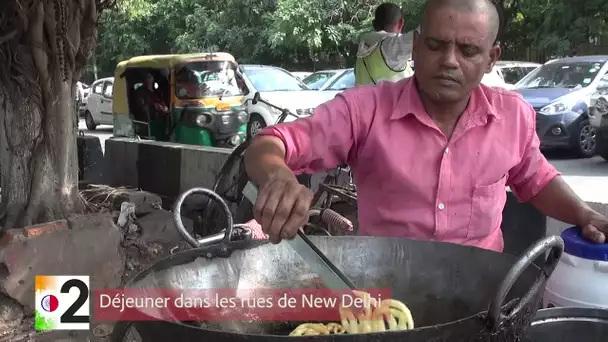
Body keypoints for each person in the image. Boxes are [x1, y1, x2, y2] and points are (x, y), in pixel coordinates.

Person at [243, 0, 608, 249]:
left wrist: (586, 215)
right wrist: (278, 177)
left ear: (491, 58)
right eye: (435, 45)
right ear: (414, 47)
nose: (449, 61)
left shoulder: (513, 117)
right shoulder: (365, 110)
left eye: (467, 51)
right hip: (384, 302)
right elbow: (270, 143)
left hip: (480, 303)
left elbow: (536, 180)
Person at [354, 3, 415, 86]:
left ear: (373, 23)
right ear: (401, 23)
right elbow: (425, 34)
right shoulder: (391, 46)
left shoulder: (365, 44)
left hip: (363, 98)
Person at [136, 72, 170, 140]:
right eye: (147, 77)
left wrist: (163, 108)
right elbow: (142, 107)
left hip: (161, 121)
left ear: (153, 79)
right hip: (149, 121)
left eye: (150, 77)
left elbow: (165, 107)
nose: (149, 79)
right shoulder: (140, 91)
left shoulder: (157, 92)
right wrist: (153, 106)